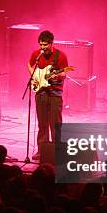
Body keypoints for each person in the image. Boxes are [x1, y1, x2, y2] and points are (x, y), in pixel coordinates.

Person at [27, 30, 69, 160]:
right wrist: (34, 76)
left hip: (55, 93)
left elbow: (64, 74)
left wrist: (57, 75)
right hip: (41, 93)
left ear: (51, 43)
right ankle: (42, 151)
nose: (42, 47)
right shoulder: (36, 54)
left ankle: (56, 151)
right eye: (40, 45)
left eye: (45, 45)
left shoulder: (60, 56)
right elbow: (29, 64)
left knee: (55, 124)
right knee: (42, 124)